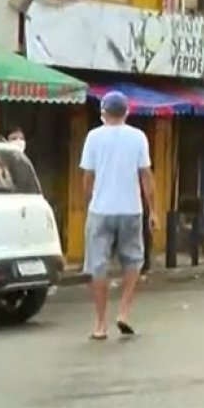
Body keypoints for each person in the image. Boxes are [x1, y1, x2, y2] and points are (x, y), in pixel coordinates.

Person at [79, 91, 158, 340]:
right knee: (134, 261)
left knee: (98, 266)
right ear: (126, 112)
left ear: (103, 113)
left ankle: (100, 324)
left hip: (100, 210)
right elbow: (146, 175)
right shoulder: (138, 138)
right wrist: (153, 210)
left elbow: (87, 177)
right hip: (131, 210)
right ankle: (123, 312)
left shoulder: (93, 137)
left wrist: (87, 204)